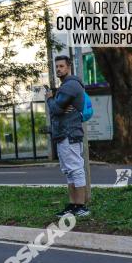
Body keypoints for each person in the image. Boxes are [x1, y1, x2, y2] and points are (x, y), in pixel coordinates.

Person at [45, 55, 90, 218]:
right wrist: (57, 104)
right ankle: (73, 205)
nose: (58, 69)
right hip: (63, 135)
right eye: (56, 66)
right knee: (69, 171)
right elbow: (59, 109)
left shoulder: (70, 85)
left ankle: (82, 206)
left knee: (76, 169)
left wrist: (50, 99)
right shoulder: (64, 86)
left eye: (61, 66)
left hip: (69, 134)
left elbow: (56, 110)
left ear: (68, 67)